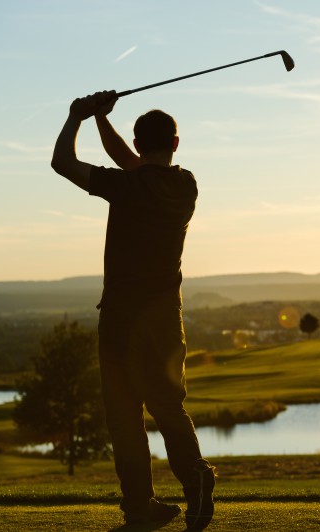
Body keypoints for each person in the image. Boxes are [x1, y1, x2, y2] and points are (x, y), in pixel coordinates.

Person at [51, 91, 216, 529]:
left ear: (140, 144)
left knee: (124, 415)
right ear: (176, 145)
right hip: (165, 317)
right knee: (168, 406)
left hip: (121, 319)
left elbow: (62, 163)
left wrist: (77, 118)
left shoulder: (127, 186)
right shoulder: (186, 185)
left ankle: (139, 506)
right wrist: (102, 119)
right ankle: (195, 477)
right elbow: (133, 162)